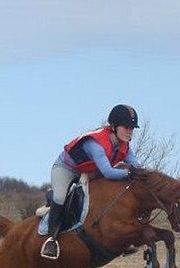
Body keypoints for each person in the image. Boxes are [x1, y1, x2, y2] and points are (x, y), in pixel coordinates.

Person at [40, 104, 141, 259]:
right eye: (126, 127)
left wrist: (144, 175)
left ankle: (119, 239)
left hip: (88, 172)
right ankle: (51, 239)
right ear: (113, 126)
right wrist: (129, 173)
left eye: (132, 128)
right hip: (66, 168)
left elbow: (137, 167)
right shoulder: (97, 144)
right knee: (60, 197)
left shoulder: (124, 146)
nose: (130, 132)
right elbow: (108, 172)